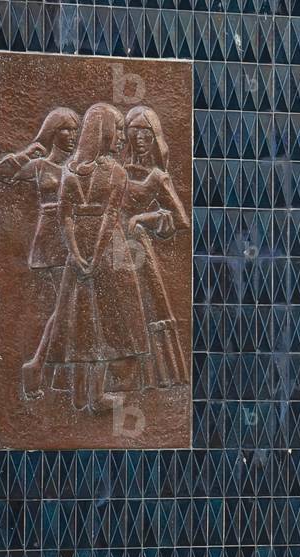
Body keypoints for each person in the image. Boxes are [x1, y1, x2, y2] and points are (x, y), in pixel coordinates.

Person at [42, 103, 150, 412]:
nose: (121, 138)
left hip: (87, 251)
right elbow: (107, 216)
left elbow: (68, 218)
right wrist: (87, 257)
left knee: (86, 320)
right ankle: (89, 397)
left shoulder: (70, 171)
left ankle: (89, 395)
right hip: (103, 251)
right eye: (117, 131)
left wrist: (77, 255)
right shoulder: (114, 172)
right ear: (102, 132)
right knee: (94, 321)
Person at [0, 107, 81, 398]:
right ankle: (41, 368)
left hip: (74, 238)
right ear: (52, 133)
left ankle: (50, 370)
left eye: (75, 130)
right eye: (65, 130)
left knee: (67, 307)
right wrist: (24, 154)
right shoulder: (40, 166)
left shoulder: (78, 167)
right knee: (65, 306)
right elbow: (4, 174)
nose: (71, 136)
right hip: (51, 241)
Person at [121, 105, 190, 388]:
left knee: (146, 307)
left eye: (145, 132)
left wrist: (144, 217)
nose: (139, 138)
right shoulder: (117, 169)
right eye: (133, 131)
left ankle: (154, 377)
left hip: (137, 248)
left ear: (155, 136)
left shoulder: (157, 176)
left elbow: (181, 219)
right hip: (109, 246)